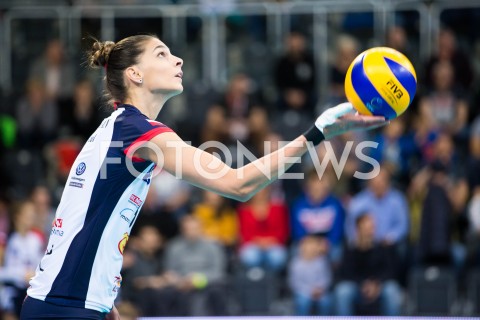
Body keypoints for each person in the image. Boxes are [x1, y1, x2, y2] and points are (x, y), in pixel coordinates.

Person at [20, 34, 386, 319]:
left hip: (72, 301)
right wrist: (316, 134)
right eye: (162, 54)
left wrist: (102, 296)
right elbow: (238, 184)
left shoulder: (118, 128)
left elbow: (85, 216)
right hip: (64, 305)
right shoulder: (136, 130)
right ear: (135, 74)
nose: (177, 58)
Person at [334, 214, 402, 316]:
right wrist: (362, 284)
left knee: (392, 290)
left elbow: (389, 271)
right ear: (358, 228)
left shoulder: (382, 247)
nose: (370, 229)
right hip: (356, 286)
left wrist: (376, 284)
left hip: (379, 286)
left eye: (372, 226)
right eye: (367, 226)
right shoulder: (350, 249)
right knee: (342, 291)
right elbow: (346, 273)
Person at [288, 235, 332, 315]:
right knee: (303, 301)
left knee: (326, 301)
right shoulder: (296, 263)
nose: (311, 248)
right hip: (303, 292)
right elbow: (294, 283)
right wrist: (309, 291)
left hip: (319, 292)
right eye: (308, 245)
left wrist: (320, 289)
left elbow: (326, 278)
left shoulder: (322, 261)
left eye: (313, 245)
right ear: (302, 247)